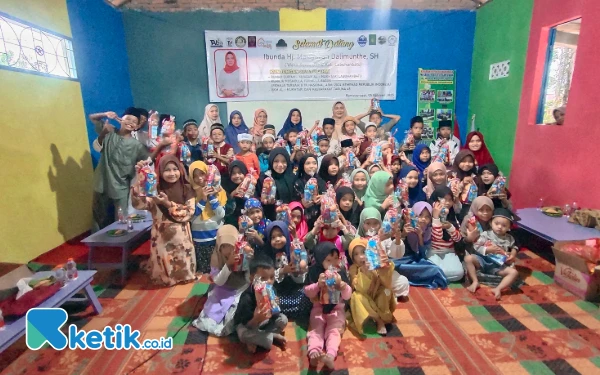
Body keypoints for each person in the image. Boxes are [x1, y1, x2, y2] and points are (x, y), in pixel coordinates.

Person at [132, 155, 196, 286]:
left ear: (180, 170)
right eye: (167, 170)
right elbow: (140, 205)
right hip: (161, 235)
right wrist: (139, 180)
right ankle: (166, 279)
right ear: (160, 171)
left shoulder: (187, 189)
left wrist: (167, 204)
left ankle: (184, 276)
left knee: (183, 259)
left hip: (181, 234)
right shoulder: (153, 189)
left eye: (175, 169)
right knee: (163, 261)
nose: (172, 173)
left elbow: (189, 213)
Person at [89, 108, 152, 231]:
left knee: (122, 217)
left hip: (121, 186)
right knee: (98, 216)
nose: (130, 122)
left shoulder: (137, 145)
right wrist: (105, 114)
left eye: (134, 121)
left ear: (137, 126)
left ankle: (121, 242)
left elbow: (149, 159)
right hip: (101, 182)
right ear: (120, 120)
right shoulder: (109, 131)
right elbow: (92, 117)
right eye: (127, 118)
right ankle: (97, 243)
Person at [193, 225, 250, 336]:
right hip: (224, 288)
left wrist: (246, 262)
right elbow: (218, 281)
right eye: (223, 246)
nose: (228, 250)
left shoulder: (243, 252)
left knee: (237, 312)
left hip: (241, 287)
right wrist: (228, 265)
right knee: (213, 314)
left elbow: (248, 277)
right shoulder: (216, 257)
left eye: (232, 246)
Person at [304, 242, 352, 369]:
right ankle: (314, 352)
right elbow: (308, 292)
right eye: (328, 259)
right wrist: (318, 285)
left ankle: (330, 355)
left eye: (336, 258)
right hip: (318, 307)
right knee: (316, 329)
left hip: (336, 308)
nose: (333, 262)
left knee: (334, 330)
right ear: (320, 259)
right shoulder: (314, 272)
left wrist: (343, 286)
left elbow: (348, 296)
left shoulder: (340, 273)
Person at [234, 255, 288, 353]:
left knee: (283, 320)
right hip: (249, 324)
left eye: (271, 277)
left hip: (265, 322)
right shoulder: (247, 297)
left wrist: (275, 306)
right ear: (251, 278)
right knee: (243, 334)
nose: (268, 282)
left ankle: (261, 339)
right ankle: (269, 337)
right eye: (263, 279)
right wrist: (256, 319)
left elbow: (275, 315)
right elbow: (245, 324)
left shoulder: (272, 290)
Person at [259, 221, 312, 320]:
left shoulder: (293, 250)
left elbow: (301, 279)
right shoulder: (267, 255)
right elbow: (265, 279)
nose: (277, 239)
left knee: (306, 300)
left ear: (287, 236)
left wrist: (296, 272)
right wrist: (283, 271)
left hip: (294, 289)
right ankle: (283, 312)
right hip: (277, 292)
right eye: (273, 237)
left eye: (280, 235)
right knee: (271, 303)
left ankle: (285, 312)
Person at [464, 208, 519, 300]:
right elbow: (476, 246)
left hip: (498, 266)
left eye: (504, 225)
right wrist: (487, 250)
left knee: (514, 272)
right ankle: (475, 281)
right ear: (491, 223)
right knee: (468, 258)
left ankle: (498, 288)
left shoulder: (510, 239)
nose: (500, 227)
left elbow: (514, 247)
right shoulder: (486, 234)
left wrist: (512, 255)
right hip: (483, 260)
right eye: (496, 224)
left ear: (509, 227)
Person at [356, 207, 409, 298]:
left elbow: (396, 255)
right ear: (362, 224)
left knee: (403, 282)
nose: (372, 227)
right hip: (367, 274)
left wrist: (397, 240)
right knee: (364, 288)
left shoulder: (384, 238)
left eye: (375, 223)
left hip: (384, 273)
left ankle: (383, 294)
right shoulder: (357, 239)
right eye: (368, 223)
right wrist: (378, 240)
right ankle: (382, 294)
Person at [394, 202, 448, 289]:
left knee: (435, 269)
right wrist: (403, 235)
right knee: (394, 266)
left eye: (427, 217)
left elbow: (422, 255)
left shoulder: (427, 231)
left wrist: (420, 236)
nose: (423, 219)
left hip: (415, 261)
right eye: (420, 215)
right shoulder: (405, 225)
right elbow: (395, 250)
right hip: (400, 260)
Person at [348, 238, 396, 335]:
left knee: (385, 291)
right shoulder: (353, 268)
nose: (361, 256)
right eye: (356, 254)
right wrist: (364, 272)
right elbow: (358, 287)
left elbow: (387, 283)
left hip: (377, 296)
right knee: (356, 296)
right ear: (352, 258)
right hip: (365, 298)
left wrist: (385, 267)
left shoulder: (376, 264)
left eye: (363, 252)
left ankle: (384, 316)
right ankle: (378, 319)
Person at [189, 161, 226, 274]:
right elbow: (191, 217)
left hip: (215, 237)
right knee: (204, 273)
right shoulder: (190, 193)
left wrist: (212, 197)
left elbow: (221, 215)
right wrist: (203, 200)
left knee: (217, 270)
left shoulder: (219, 191)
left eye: (202, 174)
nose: (200, 178)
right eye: (195, 176)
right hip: (199, 239)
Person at [428, 189, 464, 282]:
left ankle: (439, 276)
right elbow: (437, 237)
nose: (447, 203)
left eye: (450, 200)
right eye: (443, 200)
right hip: (433, 251)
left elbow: (458, 238)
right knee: (436, 269)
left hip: (449, 251)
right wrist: (436, 218)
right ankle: (439, 275)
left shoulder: (453, 217)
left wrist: (450, 227)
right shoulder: (428, 216)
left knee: (459, 273)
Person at [256, 148, 299, 221]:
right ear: (271, 161)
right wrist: (264, 202)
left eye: (283, 161)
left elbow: (296, 199)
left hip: (290, 218)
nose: (280, 165)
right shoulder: (264, 179)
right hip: (270, 220)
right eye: (276, 161)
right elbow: (256, 199)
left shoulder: (292, 178)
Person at [294, 154, 326, 228]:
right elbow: (293, 201)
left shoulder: (321, 182)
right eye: (308, 163)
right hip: (303, 221)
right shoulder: (298, 183)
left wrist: (323, 198)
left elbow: (327, 196)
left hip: (319, 220)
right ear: (302, 166)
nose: (312, 166)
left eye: (314, 163)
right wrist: (301, 203)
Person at [223, 160, 248, 227]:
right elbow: (225, 209)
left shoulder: (250, 186)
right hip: (231, 222)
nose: (237, 176)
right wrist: (233, 194)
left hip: (247, 222)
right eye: (233, 173)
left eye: (240, 173)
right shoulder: (225, 187)